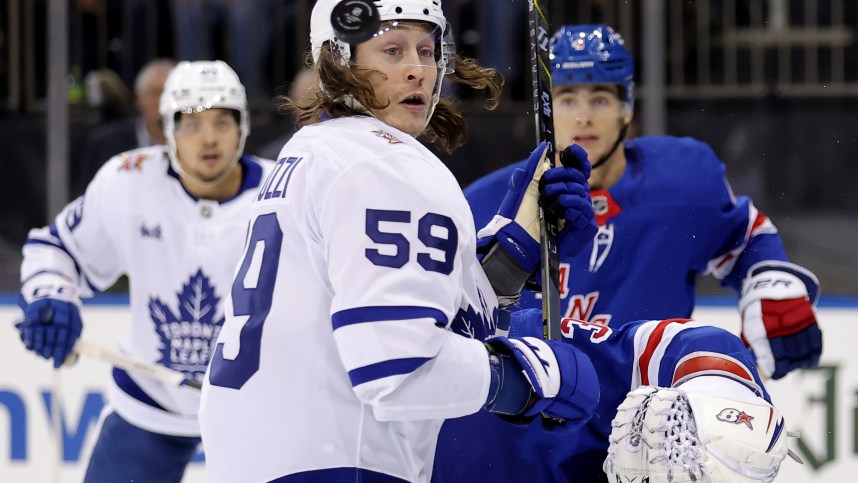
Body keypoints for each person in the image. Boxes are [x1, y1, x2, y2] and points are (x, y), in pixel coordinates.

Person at [198, 1, 603, 482]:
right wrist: (534, 377)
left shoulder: (315, 151)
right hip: (339, 465)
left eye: (427, 50)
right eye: (392, 49)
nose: (416, 70)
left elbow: (400, 313)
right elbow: (397, 369)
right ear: (337, 61)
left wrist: (512, 252)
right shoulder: (383, 165)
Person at [433, 23, 821, 481]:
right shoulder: (487, 204)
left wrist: (771, 279)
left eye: (600, 99)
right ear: (545, 109)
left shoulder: (679, 182)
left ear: (627, 108)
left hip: (651, 439)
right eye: (568, 98)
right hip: (525, 443)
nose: (584, 117)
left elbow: (746, 235)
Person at [14, 60, 275, 482]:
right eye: (191, 124)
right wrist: (51, 296)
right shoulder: (128, 181)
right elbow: (56, 248)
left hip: (257, 408)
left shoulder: (282, 195)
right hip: (150, 402)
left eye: (222, 123)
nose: (208, 139)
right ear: (166, 130)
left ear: (243, 127)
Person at [77, 58, 176, 195]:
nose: (164, 101)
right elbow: (89, 200)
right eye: (156, 92)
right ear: (139, 98)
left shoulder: (195, 144)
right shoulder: (105, 145)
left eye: (171, 93)